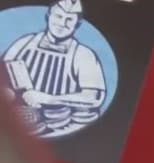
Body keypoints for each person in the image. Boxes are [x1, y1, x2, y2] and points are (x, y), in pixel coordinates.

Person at [3, 0, 107, 137]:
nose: (62, 24)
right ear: (48, 16)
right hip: (19, 122)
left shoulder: (83, 55)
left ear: (78, 24)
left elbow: (95, 97)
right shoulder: (24, 43)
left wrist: (49, 99)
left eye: (69, 19)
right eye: (58, 16)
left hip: (64, 127)